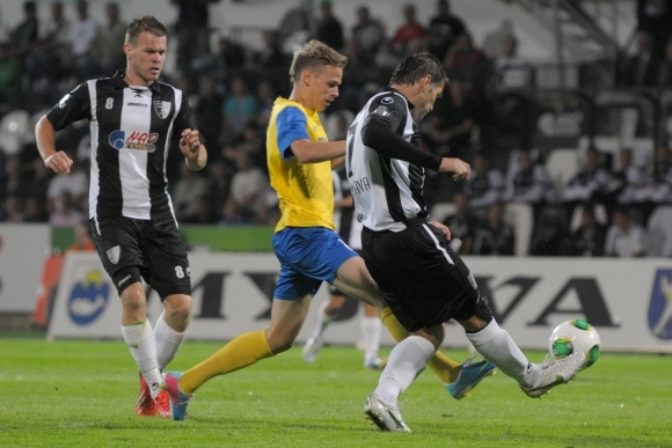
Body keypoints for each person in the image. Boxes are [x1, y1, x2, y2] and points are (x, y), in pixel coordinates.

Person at [163, 40, 494, 421]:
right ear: (307, 77)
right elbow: (302, 152)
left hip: (297, 235)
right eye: (331, 83)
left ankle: (183, 383)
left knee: (278, 338)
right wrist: (358, 138)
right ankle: (450, 373)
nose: (336, 92)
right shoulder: (291, 114)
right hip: (309, 235)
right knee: (384, 291)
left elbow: (332, 161)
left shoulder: (309, 119)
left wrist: (405, 211)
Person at [345, 52, 586, 432]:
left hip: (377, 241)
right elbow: (376, 135)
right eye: (436, 95)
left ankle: (384, 398)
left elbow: (378, 169)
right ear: (424, 82)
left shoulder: (361, 113)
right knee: (473, 312)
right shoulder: (391, 103)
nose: (432, 105)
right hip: (405, 236)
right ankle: (532, 378)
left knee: (427, 332)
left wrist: (420, 217)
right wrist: (439, 162)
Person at [35, 16, 208, 418]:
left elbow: (198, 160)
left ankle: (149, 381)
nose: (157, 59)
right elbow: (46, 123)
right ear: (128, 49)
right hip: (111, 213)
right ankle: (157, 390)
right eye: (149, 51)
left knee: (181, 307)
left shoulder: (174, 99)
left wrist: (194, 152)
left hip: (158, 214)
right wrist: (49, 154)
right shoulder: (96, 92)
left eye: (162, 52)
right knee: (133, 298)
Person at [302, 166, 384, 369]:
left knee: (373, 298)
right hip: (342, 246)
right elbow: (315, 203)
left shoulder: (374, 172)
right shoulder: (334, 176)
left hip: (369, 245)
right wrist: (345, 202)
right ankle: (317, 336)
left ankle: (371, 356)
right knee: (336, 303)